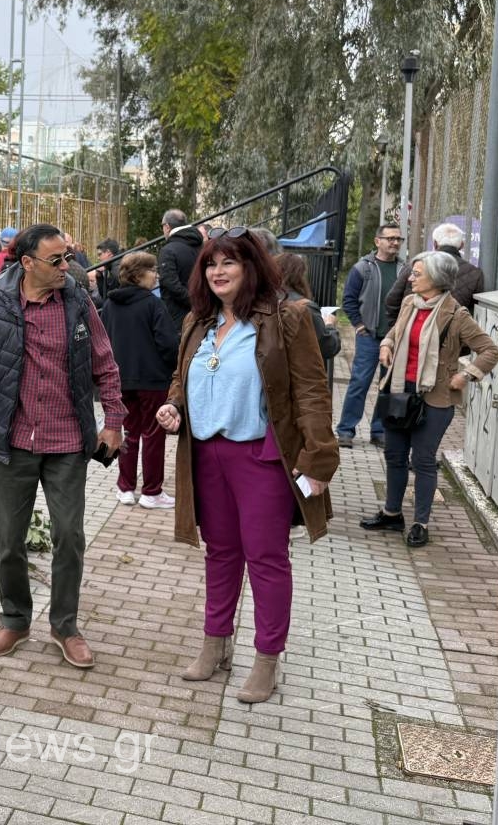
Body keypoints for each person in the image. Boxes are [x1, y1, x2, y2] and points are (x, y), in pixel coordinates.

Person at [155, 227, 338, 704]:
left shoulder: (287, 318)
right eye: (210, 264)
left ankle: (266, 658)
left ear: (251, 266)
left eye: (228, 262)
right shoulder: (198, 321)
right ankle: (215, 643)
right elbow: (182, 375)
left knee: (266, 559)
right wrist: (174, 403)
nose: (217, 272)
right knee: (220, 554)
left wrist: (318, 460)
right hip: (206, 454)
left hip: (262, 457)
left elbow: (312, 392)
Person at [0, 224, 126, 670]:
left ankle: (65, 625)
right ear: (27, 263)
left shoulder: (79, 304)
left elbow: (105, 363)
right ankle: (15, 619)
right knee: (10, 541)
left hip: (68, 442)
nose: (67, 266)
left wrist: (114, 421)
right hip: (15, 443)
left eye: (67, 256)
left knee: (70, 536)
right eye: (56, 260)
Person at [361, 251, 498, 548]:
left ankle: (420, 523)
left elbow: (490, 350)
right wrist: (386, 344)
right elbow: (395, 333)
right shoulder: (410, 303)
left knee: (423, 460)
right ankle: (392, 514)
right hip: (400, 390)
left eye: (417, 274)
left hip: (434, 397)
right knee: (394, 455)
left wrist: (466, 375)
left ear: (436, 279)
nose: (410, 278)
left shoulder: (457, 314)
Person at [100, 252, 179, 509]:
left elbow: (102, 341)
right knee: (153, 435)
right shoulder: (153, 304)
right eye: (152, 270)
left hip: (121, 379)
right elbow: (168, 343)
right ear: (139, 274)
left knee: (128, 433)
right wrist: (171, 368)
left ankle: (125, 488)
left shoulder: (110, 305)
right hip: (152, 380)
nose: (156, 275)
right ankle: (151, 492)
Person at [337, 224, 403, 448]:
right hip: (369, 337)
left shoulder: (404, 270)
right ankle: (346, 430)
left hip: (394, 340)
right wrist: (359, 326)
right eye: (390, 238)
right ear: (378, 241)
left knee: (387, 386)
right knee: (359, 383)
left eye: (398, 239)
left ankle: (379, 430)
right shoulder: (362, 268)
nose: (395, 243)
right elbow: (349, 300)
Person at [383, 222, 486, 325]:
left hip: (413, 328)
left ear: (435, 244)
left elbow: (392, 300)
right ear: (462, 245)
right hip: (450, 331)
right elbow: (475, 312)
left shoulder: (416, 265)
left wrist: (399, 326)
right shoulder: (475, 274)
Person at [277, 253, 340, 363]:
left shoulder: (263, 301)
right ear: (300, 275)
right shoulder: (305, 307)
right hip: (298, 369)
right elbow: (328, 348)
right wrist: (330, 325)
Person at [158, 209, 203, 333]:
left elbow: (170, 284)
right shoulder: (201, 247)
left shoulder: (168, 250)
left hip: (177, 317)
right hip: (202, 311)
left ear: (167, 227)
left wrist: (192, 301)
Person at [90, 239, 122, 305]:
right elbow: (105, 294)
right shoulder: (116, 265)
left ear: (108, 253)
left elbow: (108, 297)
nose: (98, 258)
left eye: (100, 254)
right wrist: (99, 276)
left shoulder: (116, 269)